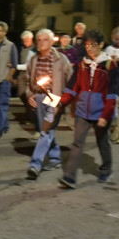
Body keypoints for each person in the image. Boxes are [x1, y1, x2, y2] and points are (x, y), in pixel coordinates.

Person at [57, 29, 119, 189]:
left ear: (102, 45)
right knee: (77, 143)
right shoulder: (81, 65)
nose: (90, 48)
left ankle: (106, 169)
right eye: (87, 45)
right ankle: (69, 177)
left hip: (101, 111)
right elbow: (72, 88)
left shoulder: (110, 65)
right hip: (82, 110)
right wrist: (61, 102)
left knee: (103, 142)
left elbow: (112, 94)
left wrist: (105, 115)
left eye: (93, 45)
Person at [24, 29, 72, 180]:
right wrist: (30, 94)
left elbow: (71, 81)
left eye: (44, 39)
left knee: (46, 130)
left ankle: (36, 164)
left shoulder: (61, 59)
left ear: (52, 42)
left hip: (54, 99)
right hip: (39, 97)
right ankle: (55, 157)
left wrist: (65, 101)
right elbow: (27, 80)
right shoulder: (33, 60)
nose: (40, 42)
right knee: (44, 129)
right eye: (38, 40)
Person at [15, 30, 38, 136]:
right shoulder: (23, 49)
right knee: (21, 94)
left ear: (31, 39)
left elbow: (29, 65)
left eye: (26, 40)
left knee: (28, 96)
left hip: (29, 74)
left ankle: (30, 116)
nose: (24, 42)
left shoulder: (34, 49)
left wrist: (15, 66)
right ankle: (30, 113)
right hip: (22, 74)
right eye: (23, 41)